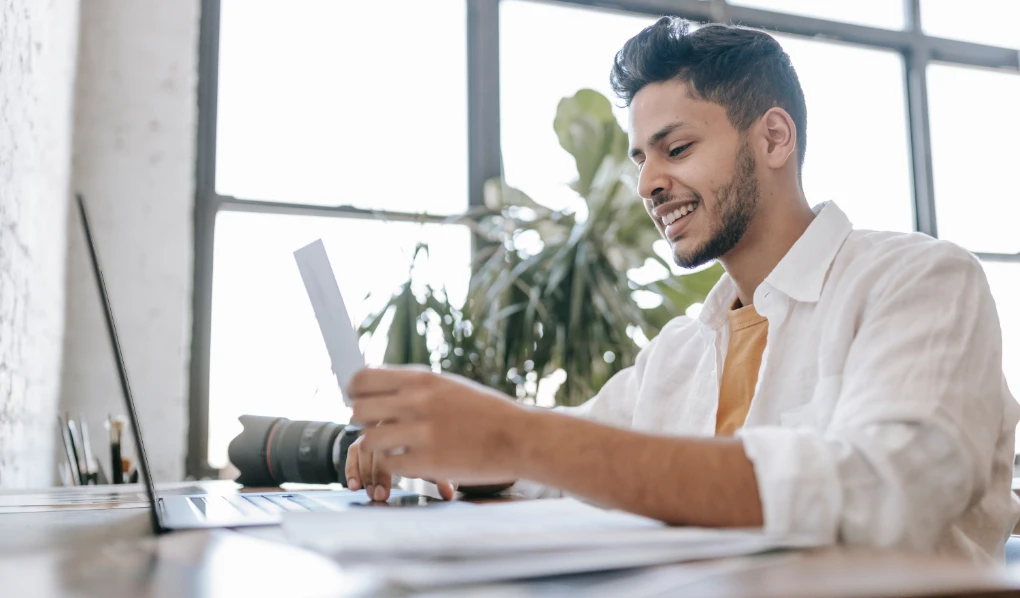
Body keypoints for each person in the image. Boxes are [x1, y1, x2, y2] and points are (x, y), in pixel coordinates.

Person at [343, 17, 1020, 560]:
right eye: (641, 158)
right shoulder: (682, 349)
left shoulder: (919, 282)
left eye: (676, 148)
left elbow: (886, 490)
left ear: (774, 138)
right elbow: (565, 454)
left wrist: (522, 437)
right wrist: (448, 444)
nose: (647, 184)